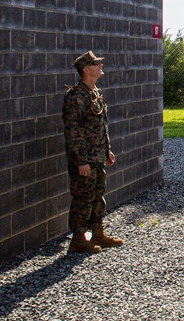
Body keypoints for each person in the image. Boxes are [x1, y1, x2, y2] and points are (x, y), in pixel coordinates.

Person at [62, 51, 123, 254]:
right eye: (96, 64)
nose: (100, 66)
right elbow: (73, 131)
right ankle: (78, 239)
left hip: (97, 156)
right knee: (83, 198)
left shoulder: (95, 92)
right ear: (86, 70)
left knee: (98, 195)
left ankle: (98, 233)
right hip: (85, 159)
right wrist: (81, 161)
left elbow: (101, 126)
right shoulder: (76, 97)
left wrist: (107, 150)